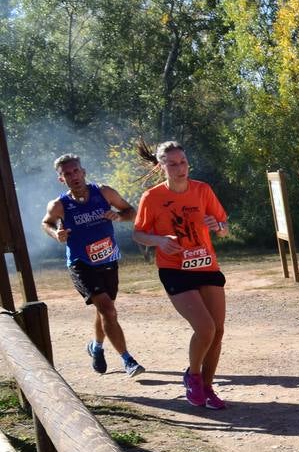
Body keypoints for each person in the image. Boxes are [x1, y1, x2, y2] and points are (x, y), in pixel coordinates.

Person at [131, 141, 230, 409]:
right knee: (205, 327)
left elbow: (223, 227)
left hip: (207, 265)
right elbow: (138, 233)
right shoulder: (152, 197)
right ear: (161, 166)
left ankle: (208, 388)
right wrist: (160, 241)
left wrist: (217, 225)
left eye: (183, 162)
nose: (180, 168)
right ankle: (193, 376)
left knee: (217, 331)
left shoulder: (202, 190)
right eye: (172, 164)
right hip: (175, 269)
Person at [41, 155, 145, 377]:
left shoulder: (104, 192)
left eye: (76, 171)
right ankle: (128, 360)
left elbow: (131, 211)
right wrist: (56, 234)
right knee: (108, 309)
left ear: (83, 171)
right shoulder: (59, 204)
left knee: (106, 311)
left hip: (108, 259)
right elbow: (46, 223)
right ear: (61, 178)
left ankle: (96, 347)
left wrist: (117, 216)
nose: (73, 176)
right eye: (68, 173)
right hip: (81, 263)